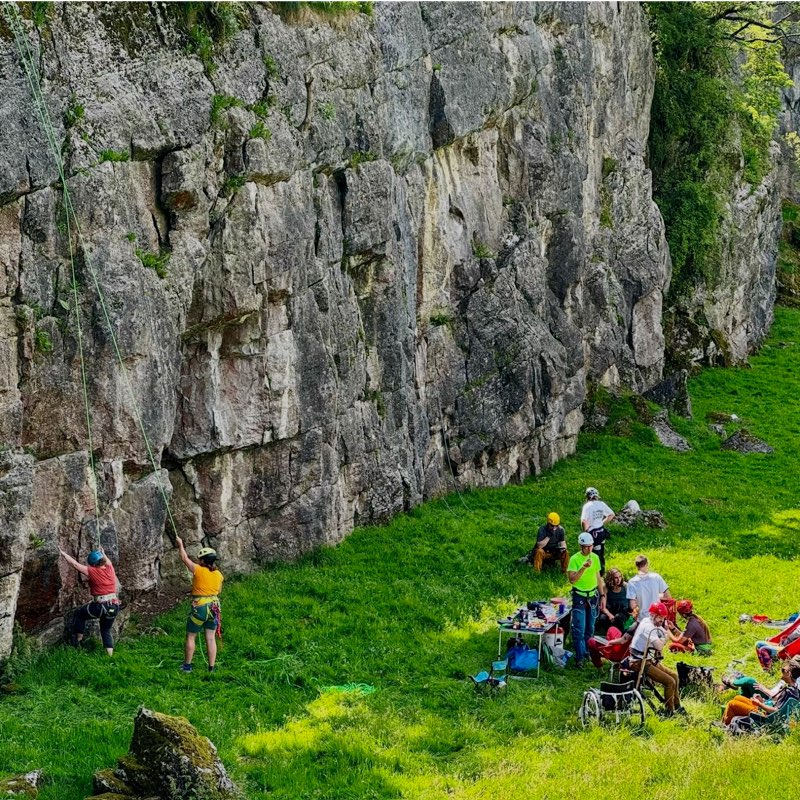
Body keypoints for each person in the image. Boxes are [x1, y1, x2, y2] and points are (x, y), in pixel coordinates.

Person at [611, 602, 684, 715]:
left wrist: (664, 633)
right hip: (638, 662)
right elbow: (659, 646)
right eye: (660, 617)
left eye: (663, 618)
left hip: (647, 659)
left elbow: (660, 635)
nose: (662, 620)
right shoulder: (648, 627)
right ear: (653, 615)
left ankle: (677, 705)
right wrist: (666, 636)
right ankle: (669, 711)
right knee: (670, 682)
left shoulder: (646, 620)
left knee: (674, 675)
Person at [58, 546, 121, 656]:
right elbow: (107, 560)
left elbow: (75, 565)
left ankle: (78, 641)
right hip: (114, 606)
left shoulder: (92, 571)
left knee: (80, 614)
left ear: (92, 564)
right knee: (105, 630)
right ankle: (110, 657)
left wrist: (64, 554)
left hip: (101, 606)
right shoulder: (110, 568)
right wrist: (103, 552)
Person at [176, 537, 224, 673]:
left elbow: (184, 558)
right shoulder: (219, 575)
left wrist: (180, 544)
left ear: (202, 560)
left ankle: (187, 666)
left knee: (191, 636)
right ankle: (211, 667)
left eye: (199, 559)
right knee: (210, 637)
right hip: (214, 606)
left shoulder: (198, 569)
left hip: (200, 606)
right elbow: (219, 591)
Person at [722, 659, 800, 725]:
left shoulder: (788, 692)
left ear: (788, 674)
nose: (781, 671)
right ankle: (731, 720)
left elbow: (776, 711)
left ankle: (724, 725)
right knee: (737, 698)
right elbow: (779, 704)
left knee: (731, 704)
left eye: (783, 670)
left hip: (765, 717)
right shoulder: (794, 689)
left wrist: (759, 703)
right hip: (767, 713)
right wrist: (763, 701)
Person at [567, 532, 604, 669]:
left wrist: (602, 595)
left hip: (593, 595)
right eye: (586, 547)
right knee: (579, 629)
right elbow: (572, 579)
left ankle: (588, 652)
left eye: (590, 546)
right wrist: (583, 567)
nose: (589, 550)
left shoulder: (595, 557)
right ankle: (580, 657)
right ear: (581, 546)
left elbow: (598, 577)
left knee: (590, 628)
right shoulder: (574, 559)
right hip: (580, 596)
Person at [581, 487, 614, 574]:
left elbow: (584, 521)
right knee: (601, 551)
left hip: (593, 533)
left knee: (595, 553)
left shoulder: (587, 506)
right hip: (601, 532)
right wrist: (602, 523)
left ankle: (596, 572)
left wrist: (585, 531)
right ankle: (602, 570)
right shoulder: (601, 504)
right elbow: (611, 515)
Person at [626, 554, 671, 620]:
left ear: (636, 566)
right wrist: (656, 595)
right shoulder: (656, 577)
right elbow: (668, 597)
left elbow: (632, 606)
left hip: (642, 619)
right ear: (647, 564)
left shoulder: (632, 582)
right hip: (657, 618)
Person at [596, 567, 632, 635]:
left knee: (618, 617)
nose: (618, 579)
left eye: (620, 577)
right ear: (611, 579)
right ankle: (611, 633)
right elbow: (603, 607)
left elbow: (632, 602)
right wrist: (609, 615)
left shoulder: (625, 586)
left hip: (623, 613)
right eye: (616, 578)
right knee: (602, 618)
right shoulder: (606, 588)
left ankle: (621, 635)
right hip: (611, 612)